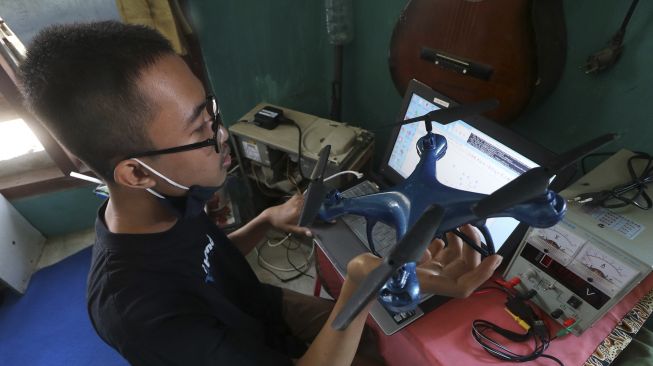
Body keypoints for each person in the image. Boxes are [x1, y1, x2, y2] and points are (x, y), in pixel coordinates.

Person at [19, 21, 503, 365]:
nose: (222, 135)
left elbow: (203, 258)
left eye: (209, 111)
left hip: (261, 312)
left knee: (385, 336)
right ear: (136, 172)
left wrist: (263, 222)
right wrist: (362, 283)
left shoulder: (160, 201)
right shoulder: (140, 313)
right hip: (257, 347)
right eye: (201, 129)